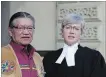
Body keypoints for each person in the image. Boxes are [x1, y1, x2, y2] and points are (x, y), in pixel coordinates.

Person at [1, 12, 45, 77]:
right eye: (20, 28)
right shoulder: (2, 53)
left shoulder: (37, 57)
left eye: (30, 28)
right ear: (10, 31)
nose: (26, 32)